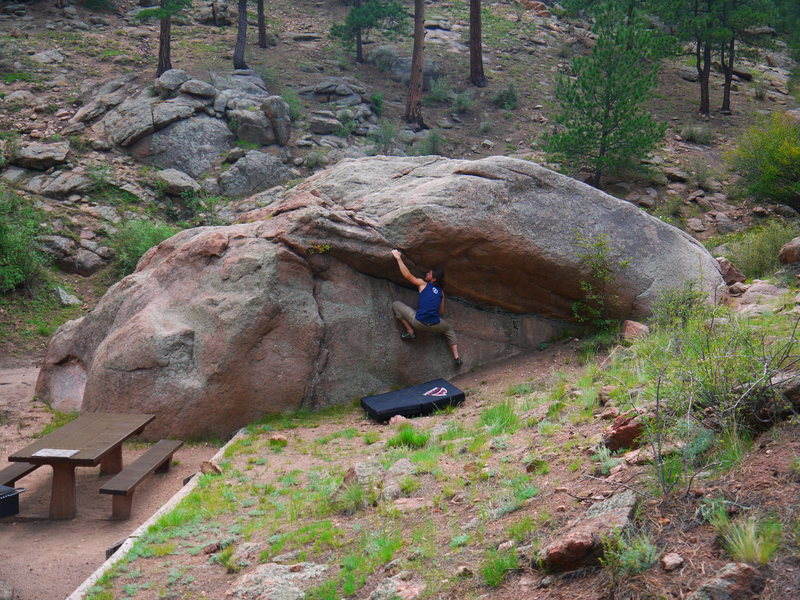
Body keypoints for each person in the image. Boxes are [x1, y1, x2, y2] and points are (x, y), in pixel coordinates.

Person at [390, 249, 462, 366]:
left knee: (396, 305)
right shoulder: (441, 292)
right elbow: (441, 311)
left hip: (418, 322)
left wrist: (398, 258)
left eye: (429, 273)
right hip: (434, 324)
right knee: (448, 329)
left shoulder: (423, 284)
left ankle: (410, 331)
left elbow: (408, 275)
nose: (427, 274)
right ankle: (456, 357)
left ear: (433, 279)